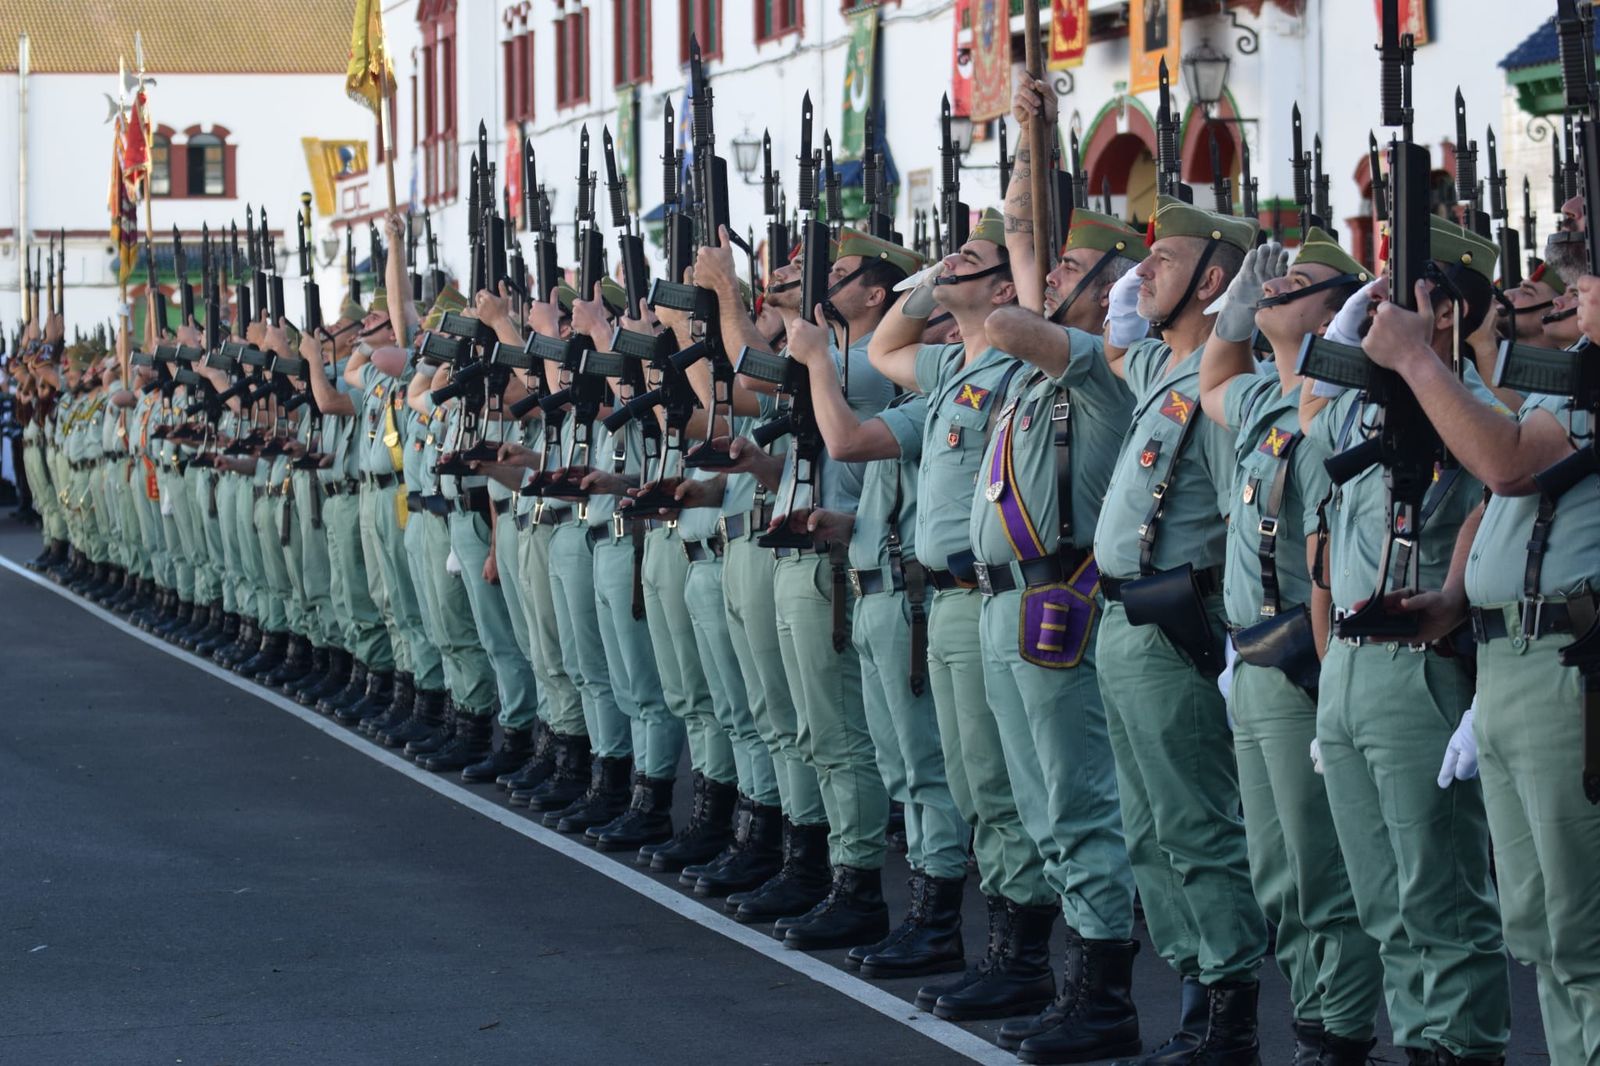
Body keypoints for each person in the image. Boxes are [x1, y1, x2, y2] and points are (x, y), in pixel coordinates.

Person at [1300, 216, 1511, 1064]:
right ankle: (1423, 1041)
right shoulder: (1361, 407)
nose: (1382, 311)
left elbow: (1503, 494)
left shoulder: (1477, 411)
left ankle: (1462, 1045)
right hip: (1351, 667)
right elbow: (1312, 417)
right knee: (1381, 899)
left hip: (1422, 668)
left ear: (1447, 312)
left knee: (1442, 896)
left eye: (1399, 299)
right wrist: (1344, 333)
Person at [1197, 230, 1386, 1064]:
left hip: (1302, 659)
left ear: (1334, 311)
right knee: (1276, 866)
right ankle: (1314, 1018)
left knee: (1320, 867)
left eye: (1295, 285)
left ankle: (1336, 1037)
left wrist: (1319, 684)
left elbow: (1323, 558)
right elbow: (1212, 386)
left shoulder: (1328, 408)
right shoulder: (1270, 398)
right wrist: (1233, 312)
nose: (1272, 287)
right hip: (1255, 653)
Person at [1093, 194, 1268, 1061]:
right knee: (1148, 831)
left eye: (1167, 259)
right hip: (1124, 616)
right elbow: (1115, 334)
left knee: (1197, 825)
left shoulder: (1224, 384)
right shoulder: (1162, 369)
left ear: (1215, 282)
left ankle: (1229, 1011)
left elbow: (1249, 514)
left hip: (1180, 623)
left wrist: (1240, 638)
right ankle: (1197, 989)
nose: (1142, 270)